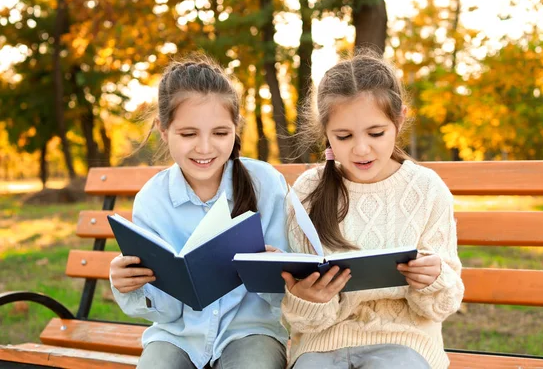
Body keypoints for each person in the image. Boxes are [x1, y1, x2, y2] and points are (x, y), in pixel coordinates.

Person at [281, 52, 464, 369]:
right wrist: (308, 299)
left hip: (405, 342)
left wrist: (432, 279)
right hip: (321, 344)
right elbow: (298, 315)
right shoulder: (308, 191)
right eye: (344, 136)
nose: (361, 148)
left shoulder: (425, 189)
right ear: (326, 131)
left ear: (399, 120)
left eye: (376, 133)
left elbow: (441, 306)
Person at [109, 54, 288, 369]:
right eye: (188, 134)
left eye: (220, 133)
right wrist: (130, 285)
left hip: (251, 331)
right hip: (177, 335)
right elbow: (164, 312)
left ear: (235, 129)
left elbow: (285, 296)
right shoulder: (152, 200)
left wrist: (272, 271)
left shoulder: (266, 185)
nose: (205, 148)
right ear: (163, 130)